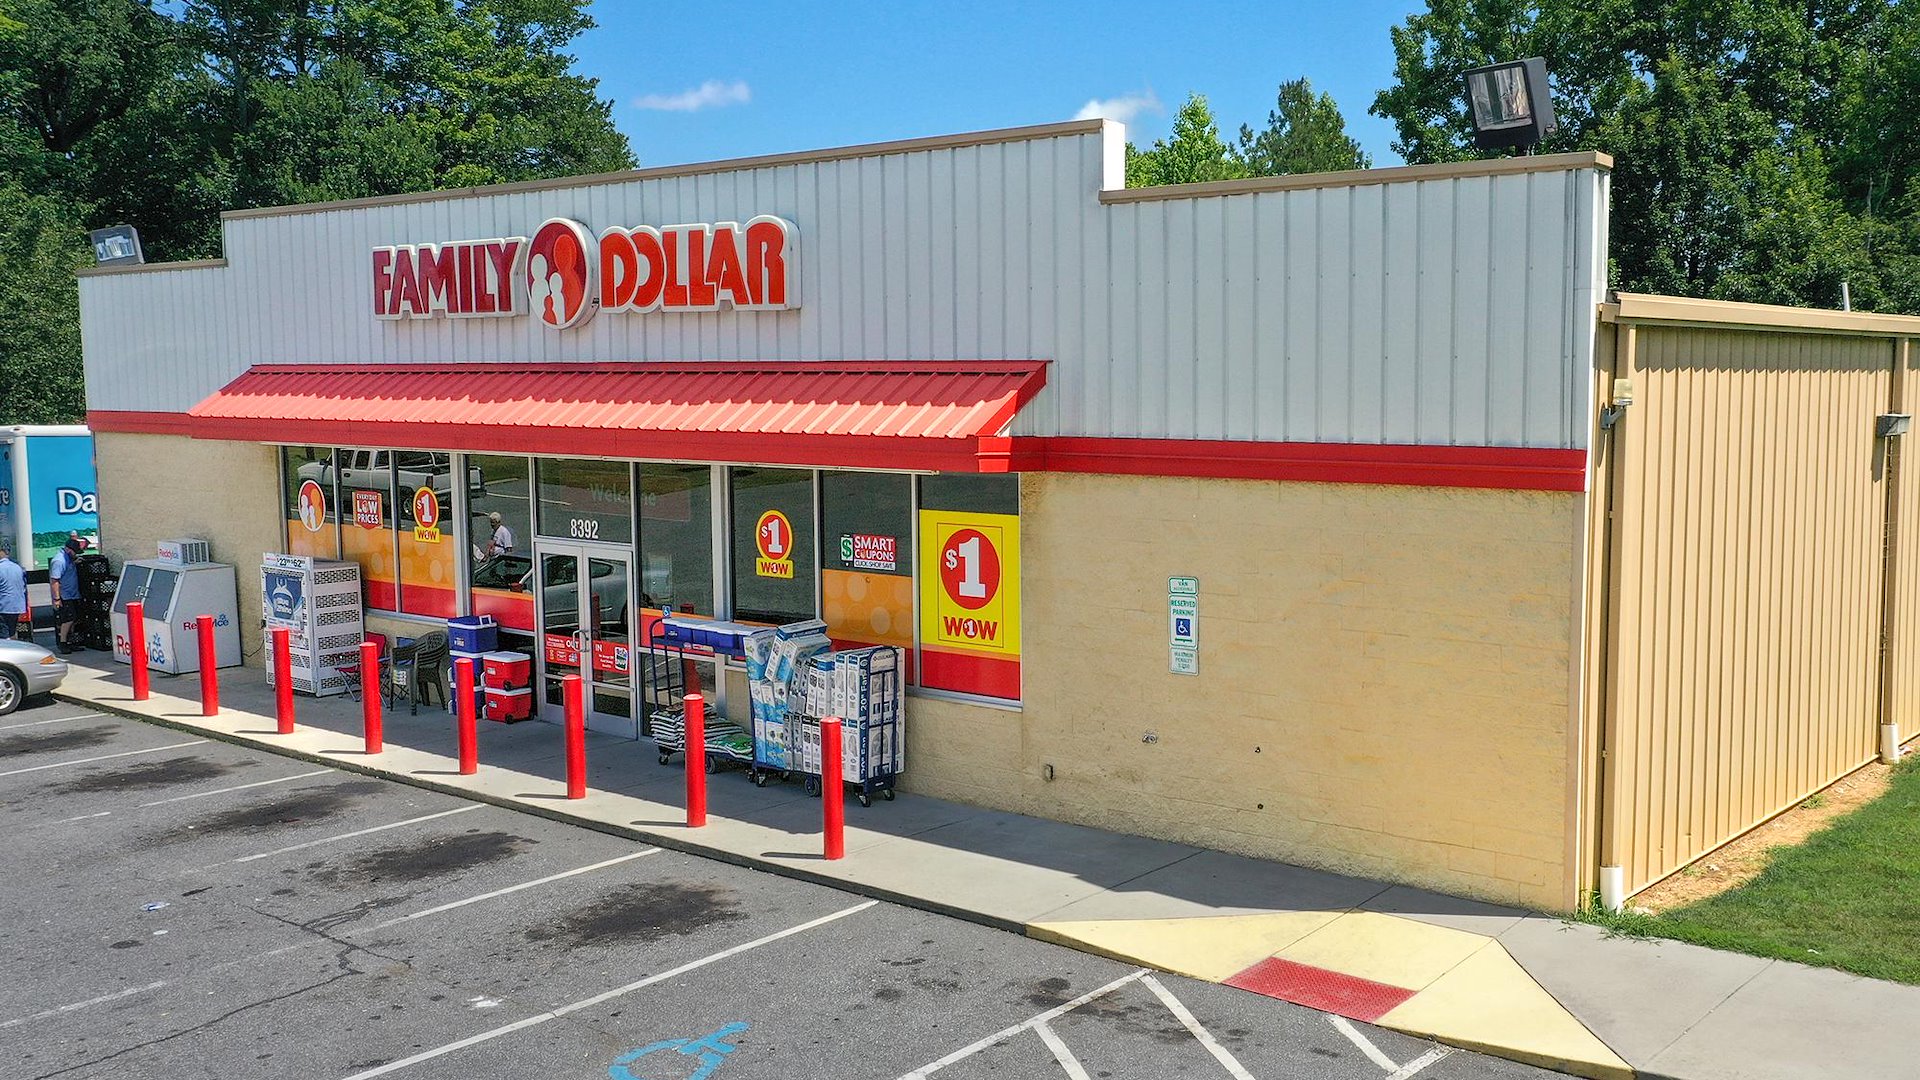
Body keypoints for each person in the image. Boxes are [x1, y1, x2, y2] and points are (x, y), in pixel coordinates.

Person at [48, 534, 87, 653]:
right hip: (65, 595)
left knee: (75, 618)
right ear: (69, 550)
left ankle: (70, 641)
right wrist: (57, 599)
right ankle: (63, 642)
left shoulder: (69, 558)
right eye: (75, 552)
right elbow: (54, 580)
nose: (76, 554)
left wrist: (75, 561)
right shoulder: (59, 561)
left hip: (73, 593)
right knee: (68, 619)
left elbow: (69, 568)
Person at [0, 545, 25, 642]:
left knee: (4, 635)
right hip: (16, 606)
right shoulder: (17, 567)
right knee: (11, 631)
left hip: (3, 606)